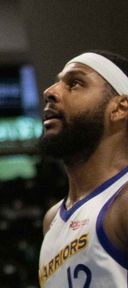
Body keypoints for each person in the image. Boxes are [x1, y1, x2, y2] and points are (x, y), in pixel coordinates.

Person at [38, 50, 128, 287]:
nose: (50, 91)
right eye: (57, 82)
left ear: (119, 108)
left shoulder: (124, 203)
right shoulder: (52, 220)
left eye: (75, 83)